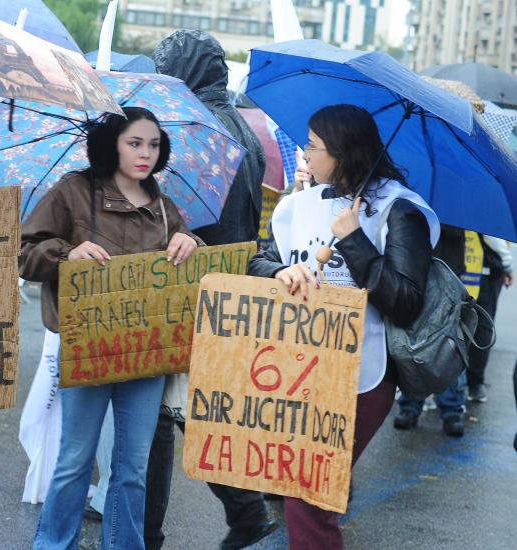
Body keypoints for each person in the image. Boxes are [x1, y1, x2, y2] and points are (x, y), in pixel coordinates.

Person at [248, 104, 440, 549]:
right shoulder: (298, 204)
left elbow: (405, 301)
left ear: (342, 150)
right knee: (305, 489)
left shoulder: (399, 210)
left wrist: (354, 239)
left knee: (308, 492)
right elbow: (260, 260)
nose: (305, 155)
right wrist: (281, 271)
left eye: (313, 146)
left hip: (363, 375)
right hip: (297, 369)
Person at [22, 106, 200, 549]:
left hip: (147, 353)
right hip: (88, 347)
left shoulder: (163, 207)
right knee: (74, 462)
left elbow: (191, 265)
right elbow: (24, 252)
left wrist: (191, 241)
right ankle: (52, 544)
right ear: (111, 144)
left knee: (133, 469)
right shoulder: (74, 191)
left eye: (154, 145)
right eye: (134, 143)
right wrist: (67, 253)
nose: (145, 154)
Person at [147, 29, 276, 550]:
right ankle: (247, 513)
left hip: (188, 285)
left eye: (165, 69)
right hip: (228, 284)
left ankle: (149, 533)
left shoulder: (191, 127)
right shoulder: (241, 126)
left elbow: (178, 213)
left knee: (161, 417)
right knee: (197, 411)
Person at [393, 225, 468, 436]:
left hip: (449, 270)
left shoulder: (458, 205)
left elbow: (456, 230)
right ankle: (410, 404)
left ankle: (451, 409)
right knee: (411, 341)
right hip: (415, 268)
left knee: (449, 343)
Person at [467, 235, 513, 402]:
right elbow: (493, 237)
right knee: (483, 327)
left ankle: (450, 386)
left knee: (455, 325)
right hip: (485, 270)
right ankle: (475, 384)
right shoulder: (488, 215)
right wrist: (507, 265)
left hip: (458, 265)